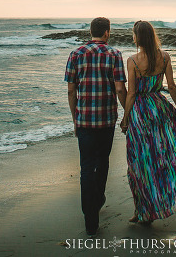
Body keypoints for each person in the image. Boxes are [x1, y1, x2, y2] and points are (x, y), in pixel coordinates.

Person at [120, 20, 176, 223]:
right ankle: (165, 199)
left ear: (138, 37)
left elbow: (132, 93)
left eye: (133, 34)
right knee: (164, 157)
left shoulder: (132, 61)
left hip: (141, 113)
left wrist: (125, 119)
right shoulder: (165, 57)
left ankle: (142, 211)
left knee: (140, 163)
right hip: (160, 108)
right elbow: (171, 86)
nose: (132, 37)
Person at [65, 17, 127, 236]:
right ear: (107, 33)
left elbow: (71, 91)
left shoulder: (75, 54)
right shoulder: (115, 54)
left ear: (90, 31)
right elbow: (120, 89)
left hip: (84, 122)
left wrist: (75, 119)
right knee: (102, 163)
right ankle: (98, 200)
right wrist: (128, 114)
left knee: (86, 167)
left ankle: (89, 218)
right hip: (107, 120)